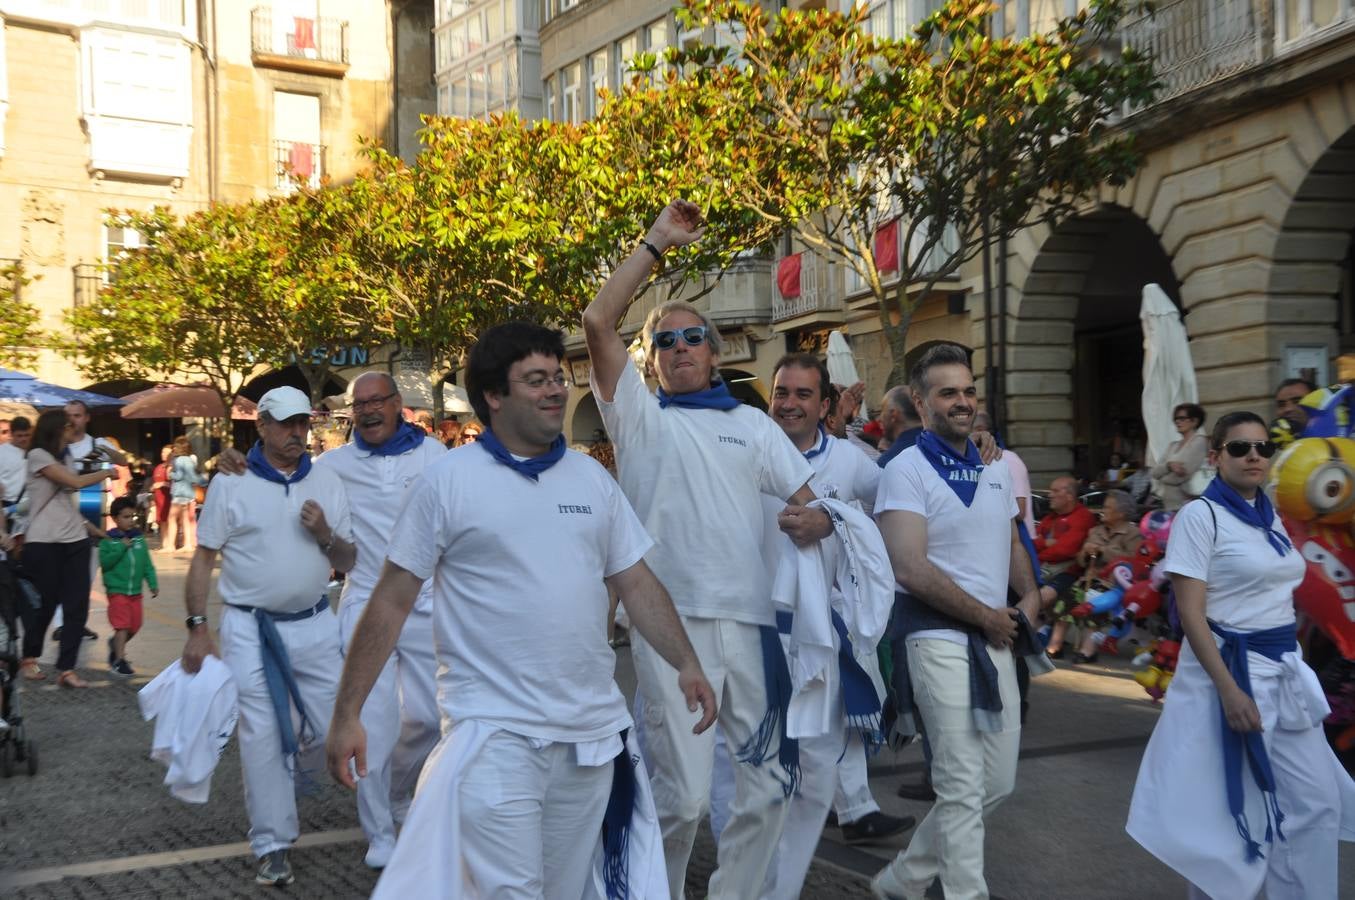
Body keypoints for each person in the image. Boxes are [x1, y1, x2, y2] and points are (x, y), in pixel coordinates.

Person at [326, 322, 717, 898]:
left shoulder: (592, 479)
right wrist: (348, 712)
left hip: (589, 737)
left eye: (557, 377)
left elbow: (635, 580)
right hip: (494, 735)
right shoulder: (447, 483)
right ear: (493, 396)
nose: (556, 390)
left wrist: (687, 662)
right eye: (536, 380)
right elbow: (390, 598)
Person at [583, 199, 833, 899]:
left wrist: (822, 523)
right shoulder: (635, 415)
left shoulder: (751, 426)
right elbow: (597, 322)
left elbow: (810, 504)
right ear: (652, 359)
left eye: (693, 338)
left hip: (750, 628)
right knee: (683, 800)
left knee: (767, 789)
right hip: (672, 633)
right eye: (665, 342)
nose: (680, 348)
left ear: (716, 354)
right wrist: (654, 243)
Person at [1127, 411, 1355, 899]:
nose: (1254, 455)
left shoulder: (1268, 513)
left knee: (1317, 802)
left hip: (1284, 671)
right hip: (1230, 673)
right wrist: (1229, 692)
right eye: (1239, 448)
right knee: (1228, 818)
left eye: (1262, 447)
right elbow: (1192, 615)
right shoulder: (1199, 516)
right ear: (1215, 457)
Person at [871, 343, 1043, 900]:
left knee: (997, 783)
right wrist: (986, 616)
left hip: (996, 637)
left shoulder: (993, 464)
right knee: (962, 786)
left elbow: (1010, 539)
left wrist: (1031, 596)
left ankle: (904, 878)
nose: (963, 401)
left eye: (969, 391)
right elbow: (909, 567)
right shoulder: (904, 471)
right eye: (948, 393)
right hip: (935, 638)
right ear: (922, 405)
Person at [180, 386, 356, 888]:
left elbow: (347, 561)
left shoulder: (328, 480)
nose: (297, 433)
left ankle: (307, 758)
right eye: (285, 424)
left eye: (303, 422)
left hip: (316, 623)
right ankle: (273, 844)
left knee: (334, 726)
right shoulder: (230, 482)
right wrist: (197, 628)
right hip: (248, 628)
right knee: (260, 739)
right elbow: (203, 558)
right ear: (261, 427)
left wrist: (324, 533)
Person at [312, 372, 446, 869]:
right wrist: (241, 464)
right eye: (359, 404)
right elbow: (285, 478)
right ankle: (380, 833)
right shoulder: (332, 465)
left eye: (377, 401)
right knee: (374, 721)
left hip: (426, 601)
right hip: (366, 600)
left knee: (432, 719)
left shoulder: (435, 456)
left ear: (397, 404)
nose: (367, 411)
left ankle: (393, 792)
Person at [17, 409, 115, 687]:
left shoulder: (67, 457)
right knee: (44, 606)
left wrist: (92, 529)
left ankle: (67, 669)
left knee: (77, 606)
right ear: (56, 429)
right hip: (43, 542)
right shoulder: (37, 456)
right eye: (68, 427)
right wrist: (106, 472)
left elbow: (66, 501)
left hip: (75, 540)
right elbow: (74, 482)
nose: (73, 431)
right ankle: (29, 657)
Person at [1067, 489, 1142, 664]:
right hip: (1089, 579)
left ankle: (1088, 649)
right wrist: (1086, 553)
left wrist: (1103, 551)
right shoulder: (1095, 531)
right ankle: (1054, 642)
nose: (1102, 510)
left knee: (1095, 599)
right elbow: (1081, 561)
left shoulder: (1133, 533)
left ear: (1121, 513)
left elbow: (1133, 563)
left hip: (1115, 585)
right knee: (1066, 598)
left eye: (1107, 507)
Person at [1037, 475, 1097, 659]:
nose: (1050, 495)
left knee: (1040, 597)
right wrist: (1047, 544)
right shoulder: (1050, 518)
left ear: (1070, 495)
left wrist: (1042, 548)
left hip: (1068, 572)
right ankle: (1040, 631)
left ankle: (1041, 632)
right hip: (1043, 566)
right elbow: (1031, 542)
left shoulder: (1083, 517)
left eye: (1055, 491)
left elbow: (1066, 550)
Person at [98, 495, 158, 676]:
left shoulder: (138, 539)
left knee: (135, 626)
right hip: (117, 591)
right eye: (125, 517)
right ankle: (119, 660)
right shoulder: (108, 540)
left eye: (132, 516)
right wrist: (121, 547)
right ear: (115, 519)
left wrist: (152, 583)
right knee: (122, 625)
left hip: (135, 592)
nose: (130, 520)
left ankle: (116, 643)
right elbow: (105, 563)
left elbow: (147, 563)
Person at [1151, 402, 1209, 512]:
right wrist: (1169, 466)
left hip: (1188, 505)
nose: (1177, 421)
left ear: (1194, 421)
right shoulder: (1173, 445)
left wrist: (1162, 476)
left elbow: (1181, 476)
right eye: (1175, 419)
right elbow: (1154, 472)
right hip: (1169, 505)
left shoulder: (1199, 441)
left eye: (1182, 418)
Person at [164, 436, 205, 553]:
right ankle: (188, 544)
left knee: (171, 518)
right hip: (188, 493)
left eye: (175, 446)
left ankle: (170, 545)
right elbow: (193, 476)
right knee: (185, 519)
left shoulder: (178, 460)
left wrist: (170, 473)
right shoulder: (189, 460)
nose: (173, 448)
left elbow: (179, 476)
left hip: (179, 493)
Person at [876, 385, 923, 469]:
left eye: (882, 411)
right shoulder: (945, 446)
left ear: (893, 414)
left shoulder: (888, 462)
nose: (879, 419)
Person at [0, 416, 30, 508]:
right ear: (11, 434)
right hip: (7, 503)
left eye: (27, 435)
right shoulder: (2, 452)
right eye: (19, 436)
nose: (23, 439)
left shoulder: (34, 451)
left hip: (28, 502)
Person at [150, 445, 173, 537]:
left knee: (170, 520)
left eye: (166, 452)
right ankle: (164, 544)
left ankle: (171, 543)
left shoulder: (172, 467)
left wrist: (162, 484)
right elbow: (154, 482)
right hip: (158, 499)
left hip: (168, 498)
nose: (163, 454)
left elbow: (174, 483)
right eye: (162, 452)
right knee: (161, 521)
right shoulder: (158, 467)